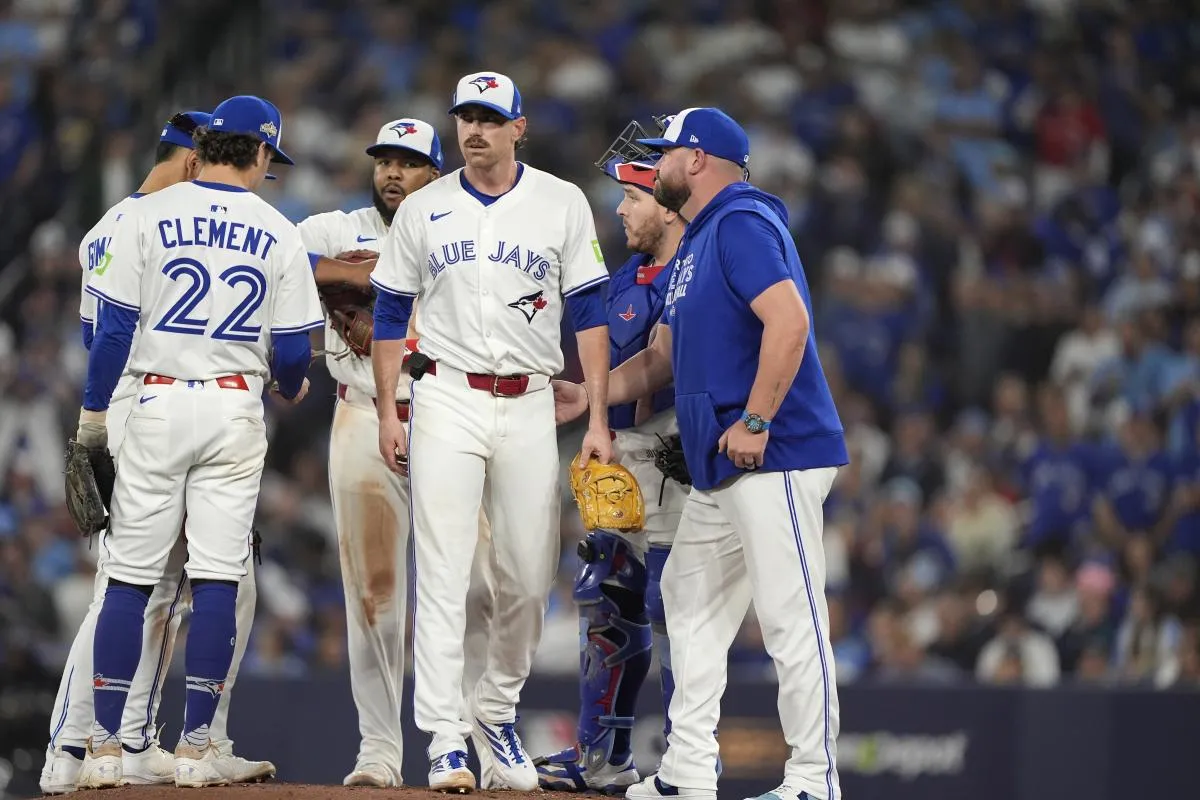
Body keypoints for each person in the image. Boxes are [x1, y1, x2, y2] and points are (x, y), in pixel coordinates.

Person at [553, 108, 849, 800]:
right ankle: (686, 773)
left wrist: (756, 417)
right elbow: (661, 359)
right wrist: (589, 397)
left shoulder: (742, 219)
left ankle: (815, 779)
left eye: (663, 155)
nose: (652, 168)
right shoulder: (697, 244)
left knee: (790, 618)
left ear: (696, 159)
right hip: (724, 467)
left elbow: (791, 320)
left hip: (777, 454)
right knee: (685, 599)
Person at [369, 70, 614, 793]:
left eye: (488, 117)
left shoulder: (560, 202)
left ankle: (496, 711)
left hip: (533, 401)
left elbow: (591, 313)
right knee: (443, 571)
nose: (473, 129)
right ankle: (445, 738)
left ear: (519, 127)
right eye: (463, 117)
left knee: (529, 573)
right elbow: (388, 314)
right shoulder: (424, 207)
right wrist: (389, 408)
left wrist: (598, 416)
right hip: (446, 394)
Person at [72, 94, 323, 789]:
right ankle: (195, 748)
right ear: (262, 154)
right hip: (232, 410)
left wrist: (94, 417)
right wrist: (286, 381)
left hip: (153, 400)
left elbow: (112, 331)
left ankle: (102, 750)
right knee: (217, 578)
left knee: (127, 579)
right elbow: (298, 352)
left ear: (204, 146)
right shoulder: (279, 228)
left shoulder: (142, 216)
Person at [296, 117, 496, 788]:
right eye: (384, 160)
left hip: (450, 418)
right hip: (360, 415)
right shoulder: (336, 227)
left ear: (434, 174)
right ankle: (379, 750)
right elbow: (277, 260)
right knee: (374, 595)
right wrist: (347, 274)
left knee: (473, 585)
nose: (391, 172)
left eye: (408, 162)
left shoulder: (465, 229)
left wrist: (366, 281)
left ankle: (470, 741)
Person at [534, 121, 688, 794]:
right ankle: (603, 757)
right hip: (623, 449)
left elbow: (664, 362)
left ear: (667, 201)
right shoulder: (631, 271)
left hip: (675, 446)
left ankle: (687, 761)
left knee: (674, 604)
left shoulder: (692, 270)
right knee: (608, 599)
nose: (621, 209)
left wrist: (593, 398)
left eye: (632, 197)